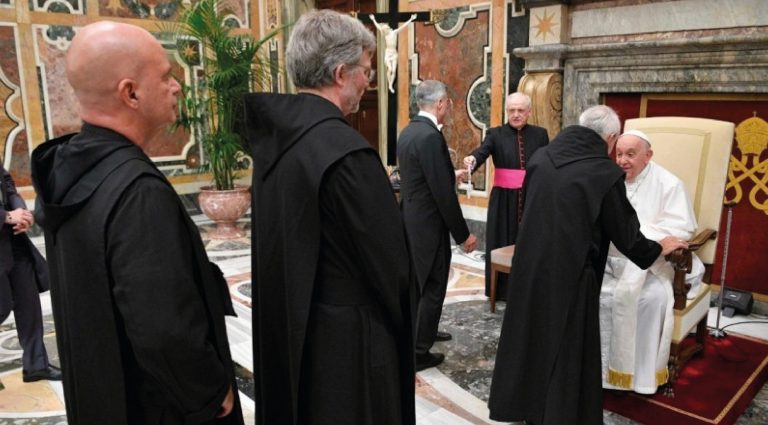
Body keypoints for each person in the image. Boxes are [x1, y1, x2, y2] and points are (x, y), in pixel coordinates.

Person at [30, 21, 242, 425]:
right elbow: (164, 329)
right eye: (165, 76)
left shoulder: (69, 170)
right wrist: (210, 393)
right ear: (130, 93)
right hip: (154, 409)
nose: (177, 86)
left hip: (103, 395)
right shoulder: (136, 192)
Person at [243, 9, 416, 425]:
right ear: (341, 74)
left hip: (290, 327)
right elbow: (391, 267)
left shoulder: (273, 144)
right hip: (348, 350)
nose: (368, 82)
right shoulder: (347, 153)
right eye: (366, 71)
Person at [487, 105, 688, 425]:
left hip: (530, 267)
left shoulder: (541, 157)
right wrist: (658, 248)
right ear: (610, 138)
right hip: (572, 276)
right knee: (565, 349)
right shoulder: (604, 173)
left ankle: (522, 407)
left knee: (530, 337)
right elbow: (627, 236)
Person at [600, 129, 704, 394]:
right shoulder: (609, 180)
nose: (622, 161)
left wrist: (640, 237)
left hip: (654, 264)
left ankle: (641, 377)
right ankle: (601, 373)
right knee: (593, 292)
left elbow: (680, 229)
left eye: (630, 154)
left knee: (650, 299)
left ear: (648, 155)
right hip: (611, 262)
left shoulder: (669, 184)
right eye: (619, 154)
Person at [397, 80, 478, 371]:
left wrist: (449, 174)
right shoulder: (430, 137)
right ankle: (419, 351)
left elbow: (422, 176)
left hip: (412, 220)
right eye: (448, 103)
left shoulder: (409, 132)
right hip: (429, 225)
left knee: (418, 285)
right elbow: (442, 195)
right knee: (432, 286)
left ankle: (424, 332)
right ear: (441, 103)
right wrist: (463, 235)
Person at [462, 92, 549, 300]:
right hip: (503, 201)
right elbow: (481, 152)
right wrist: (472, 159)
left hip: (531, 198)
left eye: (521, 110)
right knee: (501, 241)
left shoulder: (540, 134)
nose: (516, 114)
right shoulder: (495, 134)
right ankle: (500, 291)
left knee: (530, 243)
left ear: (529, 112)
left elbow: (549, 161)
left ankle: (528, 290)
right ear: (507, 111)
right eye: (512, 110)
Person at [0, 164, 60, 383]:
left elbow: (7, 183)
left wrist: (22, 213)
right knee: (2, 305)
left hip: (13, 240)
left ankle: (36, 365)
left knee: (28, 301)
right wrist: (7, 216)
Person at [370, 13, 417, 93]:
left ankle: (390, 85)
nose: (384, 31)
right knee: (390, 69)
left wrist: (411, 19)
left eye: (385, 30)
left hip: (394, 53)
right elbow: (378, 27)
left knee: (394, 71)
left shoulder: (394, 32)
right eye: (384, 30)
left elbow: (403, 26)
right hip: (388, 53)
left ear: (387, 29)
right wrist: (373, 19)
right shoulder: (386, 35)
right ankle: (390, 84)